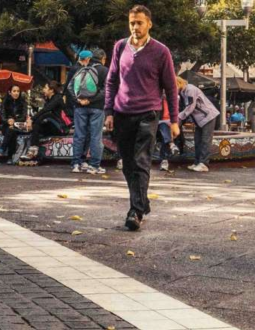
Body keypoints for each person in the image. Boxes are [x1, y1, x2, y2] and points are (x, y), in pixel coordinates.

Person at [104, 4, 180, 231]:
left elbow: (171, 88)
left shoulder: (161, 51)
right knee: (127, 164)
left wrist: (174, 120)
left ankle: (135, 211)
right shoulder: (120, 47)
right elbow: (111, 81)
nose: (135, 27)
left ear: (149, 24)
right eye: (132, 23)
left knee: (141, 160)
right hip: (122, 113)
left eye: (139, 23)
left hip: (148, 112)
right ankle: (142, 202)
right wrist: (108, 112)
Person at [68, 50, 109, 175]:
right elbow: (106, 90)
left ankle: (76, 163)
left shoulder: (82, 69)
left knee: (79, 135)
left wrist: (79, 100)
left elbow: (69, 87)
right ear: (103, 59)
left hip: (79, 107)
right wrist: (90, 100)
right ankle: (94, 165)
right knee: (96, 136)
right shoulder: (104, 71)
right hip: (97, 108)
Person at [177, 77, 218, 172]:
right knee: (198, 140)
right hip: (200, 119)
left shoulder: (190, 89)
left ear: (178, 84)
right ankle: (197, 162)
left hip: (208, 116)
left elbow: (190, 106)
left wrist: (179, 117)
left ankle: (204, 164)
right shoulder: (183, 92)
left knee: (205, 140)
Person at [21, 81, 68, 161]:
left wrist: (32, 119)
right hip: (51, 126)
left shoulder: (57, 98)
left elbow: (46, 110)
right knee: (36, 127)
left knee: (46, 115)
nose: (43, 89)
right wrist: (32, 121)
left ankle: (33, 151)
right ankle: (36, 154)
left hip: (60, 127)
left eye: (45, 88)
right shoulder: (48, 99)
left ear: (51, 90)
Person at [0, 85, 28, 160]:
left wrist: (14, 121)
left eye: (18, 91)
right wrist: (8, 120)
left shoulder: (23, 102)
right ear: (10, 92)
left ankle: (2, 149)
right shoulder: (5, 102)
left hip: (19, 125)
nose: (16, 93)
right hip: (6, 126)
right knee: (11, 130)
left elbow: (23, 117)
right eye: (14, 91)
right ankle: (10, 156)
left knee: (12, 129)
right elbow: (2, 116)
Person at [156, 95, 179, 171]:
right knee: (164, 126)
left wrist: (175, 124)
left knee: (164, 136)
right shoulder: (157, 100)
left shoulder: (176, 99)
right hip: (159, 123)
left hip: (171, 124)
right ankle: (171, 144)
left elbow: (179, 115)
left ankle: (164, 161)